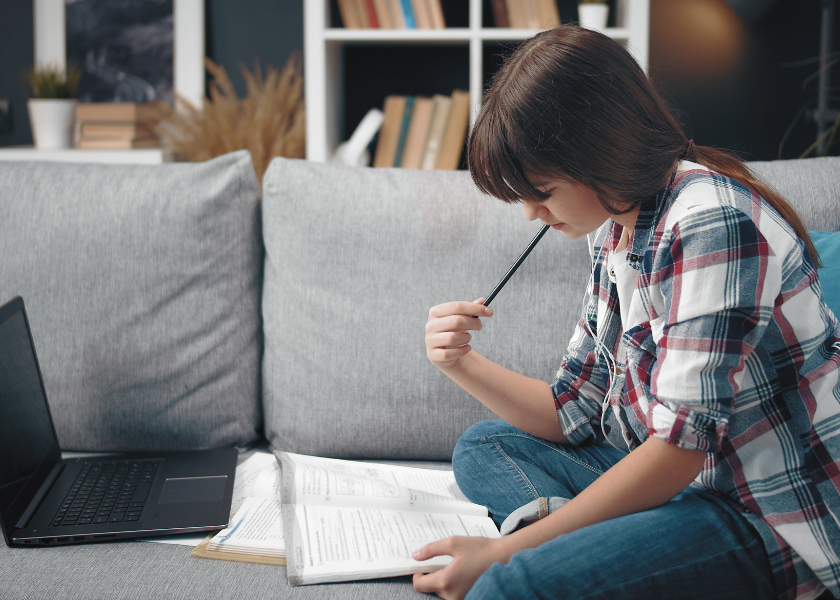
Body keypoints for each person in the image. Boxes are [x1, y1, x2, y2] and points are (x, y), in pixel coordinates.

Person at [414, 25, 840, 600]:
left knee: (510, 587)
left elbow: (680, 450)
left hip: (759, 509)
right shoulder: (614, 227)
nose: (531, 214)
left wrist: (505, 551)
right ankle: (591, 544)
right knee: (486, 446)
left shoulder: (712, 223)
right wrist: (460, 362)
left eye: (540, 189)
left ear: (601, 150)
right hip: (682, 481)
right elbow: (574, 409)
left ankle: (561, 547)